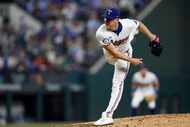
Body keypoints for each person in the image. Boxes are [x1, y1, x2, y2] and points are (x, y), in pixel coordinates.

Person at [94, 8, 162, 126]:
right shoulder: (101, 33)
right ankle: (131, 36)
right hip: (111, 55)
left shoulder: (127, 24)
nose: (106, 22)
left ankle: (108, 115)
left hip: (124, 54)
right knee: (125, 40)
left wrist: (152, 37)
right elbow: (114, 53)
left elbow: (139, 24)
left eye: (109, 20)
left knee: (117, 83)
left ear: (117, 20)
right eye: (105, 19)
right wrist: (132, 60)